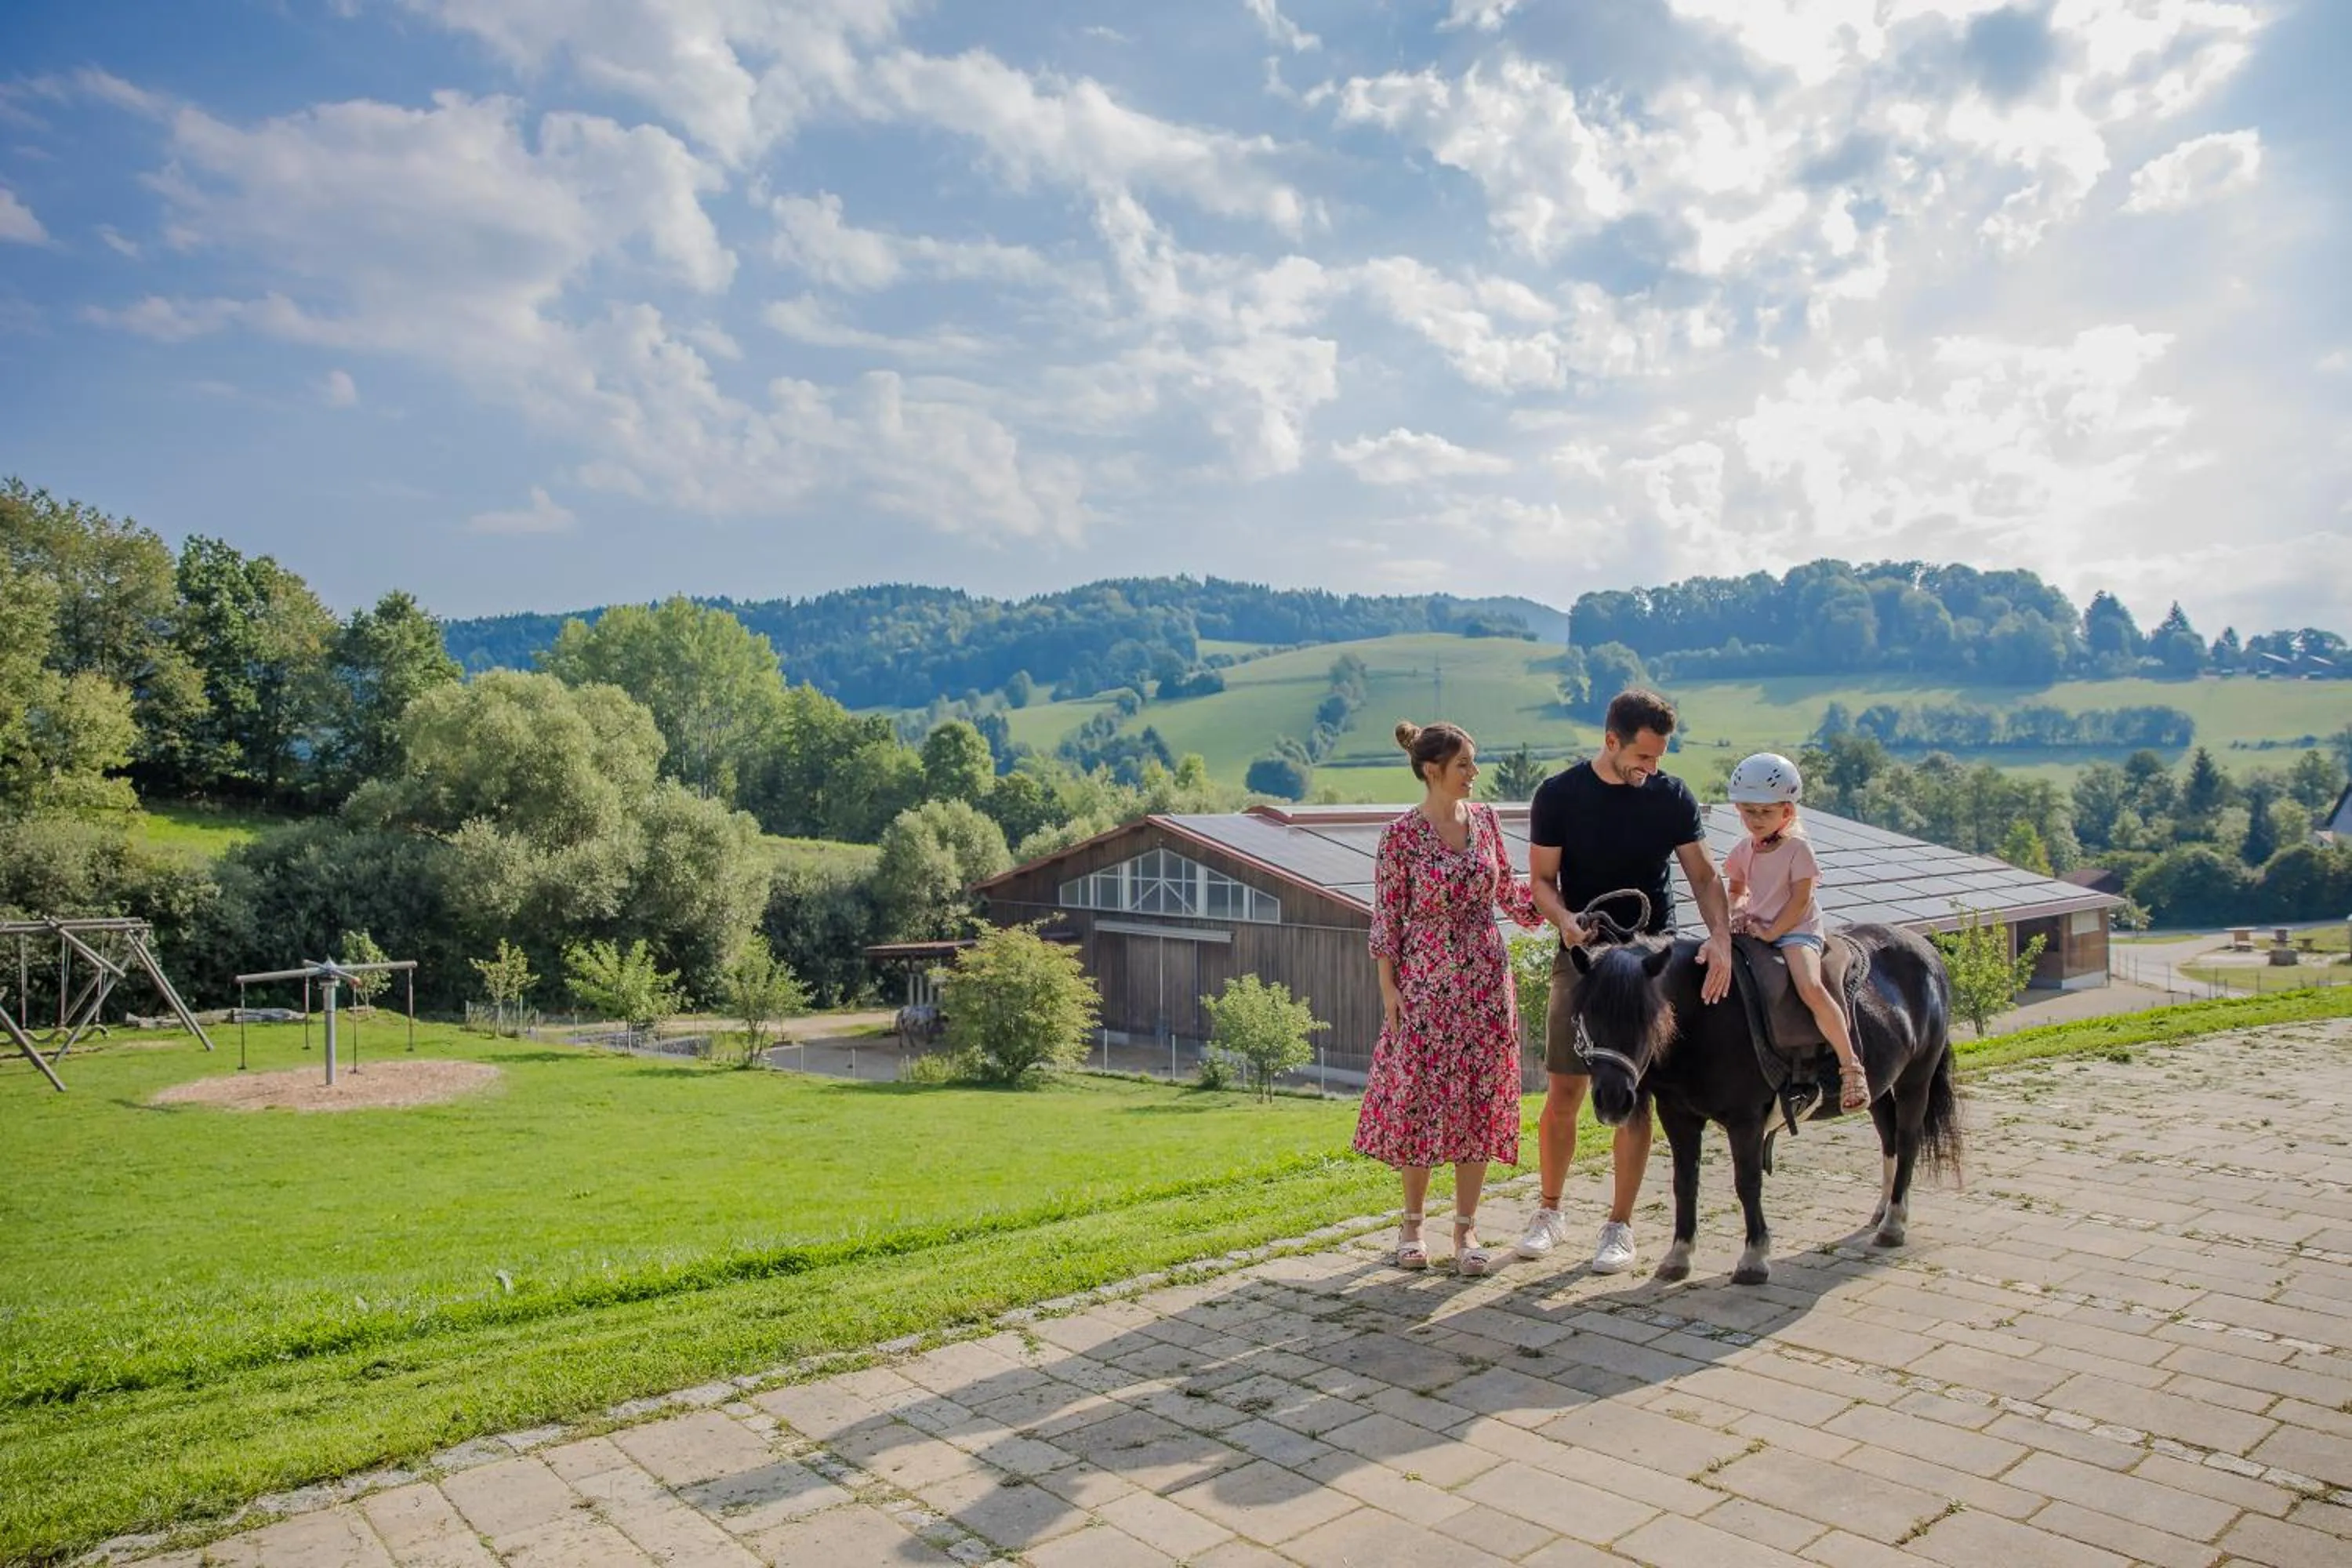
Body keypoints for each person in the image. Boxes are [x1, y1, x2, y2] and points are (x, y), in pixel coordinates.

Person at [1517, 688, 1734, 1274]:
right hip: (1584, 957)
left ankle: (1619, 1227)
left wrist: (1720, 938)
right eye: (1643, 757)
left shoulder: (1670, 797)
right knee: (1564, 1090)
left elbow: (1705, 874)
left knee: (1635, 1097)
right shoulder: (1560, 795)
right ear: (1611, 741)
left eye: (1659, 758)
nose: (1652, 769)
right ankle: (1549, 1211)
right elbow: (1540, 880)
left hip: (1648, 962)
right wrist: (1563, 922)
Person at [1356, 720, 1544, 1276]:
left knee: (1479, 1100)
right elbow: (1387, 918)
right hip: (1424, 982)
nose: (1475, 774)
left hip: (1487, 980)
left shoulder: (1486, 820)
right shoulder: (1399, 836)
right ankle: (1412, 1226)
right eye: (1465, 765)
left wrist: (1553, 909)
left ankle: (1466, 1231)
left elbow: (1507, 888)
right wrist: (1389, 988)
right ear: (1433, 771)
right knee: (1418, 1100)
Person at [1724, 752, 1869, 1111]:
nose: (1755, 820)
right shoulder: (1743, 850)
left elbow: (1801, 901)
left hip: (1796, 930)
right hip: (1759, 928)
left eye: (1765, 812)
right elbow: (1736, 891)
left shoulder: (1798, 850)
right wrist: (1739, 913)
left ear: (1787, 812)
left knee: (1809, 985)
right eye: (1748, 811)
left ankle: (1850, 1064)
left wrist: (1774, 933)